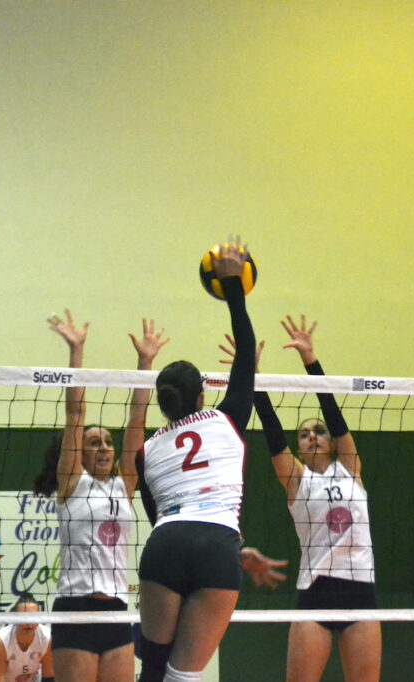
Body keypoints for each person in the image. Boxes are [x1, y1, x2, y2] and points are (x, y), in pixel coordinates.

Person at [134, 238, 257, 682]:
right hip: (217, 546)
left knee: (151, 667)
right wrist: (233, 285)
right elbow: (246, 353)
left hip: (165, 544)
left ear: (163, 404)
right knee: (182, 677)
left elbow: (156, 517)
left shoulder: (145, 451)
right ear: (203, 396)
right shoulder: (227, 419)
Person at [237, 313, 381, 682]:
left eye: (318, 431)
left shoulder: (350, 467)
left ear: (331, 441)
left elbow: (334, 415)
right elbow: (271, 435)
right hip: (315, 593)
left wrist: (310, 361)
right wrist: (252, 377)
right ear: (298, 446)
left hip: (361, 593)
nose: (313, 436)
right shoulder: (295, 480)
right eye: (303, 434)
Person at [33, 312, 168, 682]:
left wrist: (145, 364)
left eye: (108, 442)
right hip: (76, 611)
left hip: (117, 612)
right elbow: (75, 412)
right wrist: (77, 351)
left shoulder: (124, 484)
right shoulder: (72, 483)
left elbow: (136, 420)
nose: (106, 448)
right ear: (80, 452)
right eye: (96, 443)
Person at [0, 593, 54, 682]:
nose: (29, 623)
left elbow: (48, 677)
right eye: (24, 618)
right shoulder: (2, 641)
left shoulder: (47, 638)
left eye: (33, 617)